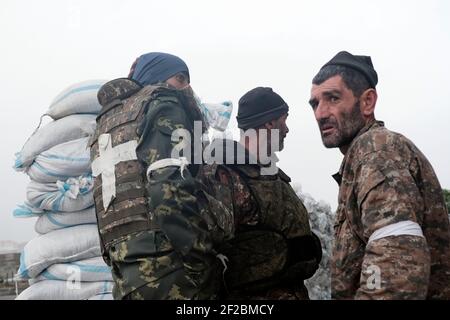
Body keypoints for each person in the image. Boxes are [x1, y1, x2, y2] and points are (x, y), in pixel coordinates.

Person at [90, 52, 233, 299]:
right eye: (180, 78)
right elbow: (168, 189)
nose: (187, 87)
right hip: (171, 272)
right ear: (159, 78)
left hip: (125, 277)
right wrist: (201, 259)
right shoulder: (163, 103)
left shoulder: (104, 127)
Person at [309, 51, 450, 299]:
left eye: (332, 98)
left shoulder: (375, 151)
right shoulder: (363, 156)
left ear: (367, 102)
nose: (320, 113)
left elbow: (397, 268)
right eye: (315, 103)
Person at [201, 87, 322, 299]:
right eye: (284, 120)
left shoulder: (275, 177)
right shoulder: (224, 174)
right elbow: (208, 252)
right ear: (270, 122)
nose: (286, 129)